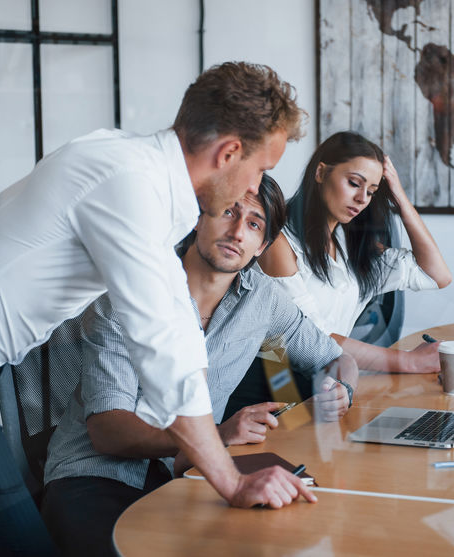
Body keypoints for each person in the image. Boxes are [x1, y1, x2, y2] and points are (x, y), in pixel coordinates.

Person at [0, 62, 310, 557]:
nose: (254, 185)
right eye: (260, 169)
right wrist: (231, 483)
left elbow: (173, 313)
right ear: (228, 153)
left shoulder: (132, 168)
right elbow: (166, 346)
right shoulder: (130, 187)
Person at [37, 175, 357, 556]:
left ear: (263, 246)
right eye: (227, 212)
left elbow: (336, 359)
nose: (238, 232)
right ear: (196, 218)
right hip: (94, 476)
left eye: (254, 224)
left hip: (188, 474)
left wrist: (341, 389)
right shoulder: (133, 297)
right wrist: (213, 437)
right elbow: (108, 431)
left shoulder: (264, 300)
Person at [257, 131, 452, 374]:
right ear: (320, 173)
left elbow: (436, 276)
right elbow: (310, 338)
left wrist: (400, 199)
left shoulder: (350, 245)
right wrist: (407, 361)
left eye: (371, 191)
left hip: (328, 381)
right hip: (279, 385)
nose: (362, 199)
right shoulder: (280, 242)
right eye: (354, 183)